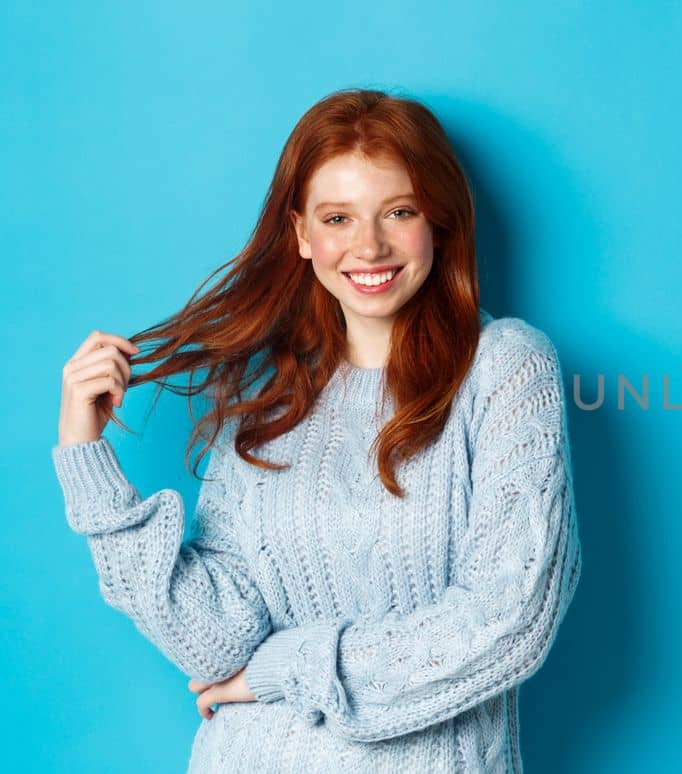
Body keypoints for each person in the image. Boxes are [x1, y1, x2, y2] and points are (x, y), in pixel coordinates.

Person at [50, 88, 582, 772]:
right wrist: (85, 460)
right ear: (301, 234)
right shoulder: (270, 399)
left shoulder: (505, 367)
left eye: (399, 211)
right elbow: (214, 646)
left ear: (439, 223)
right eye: (338, 218)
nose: (369, 246)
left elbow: (509, 621)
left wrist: (283, 670)